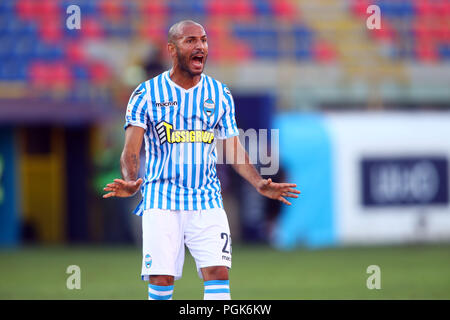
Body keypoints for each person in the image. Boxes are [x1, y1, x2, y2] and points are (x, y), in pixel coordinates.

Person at [102, 20, 300, 300]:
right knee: (161, 277)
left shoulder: (219, 94)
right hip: (161, 199)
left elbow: (232, 148)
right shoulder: (146, 94)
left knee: (218, 272)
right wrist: (130, 177)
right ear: (172, 49)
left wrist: (258, 182)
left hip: (206, 199)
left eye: (204, 40)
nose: (200, 46)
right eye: (190, 40)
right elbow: (131, 150)